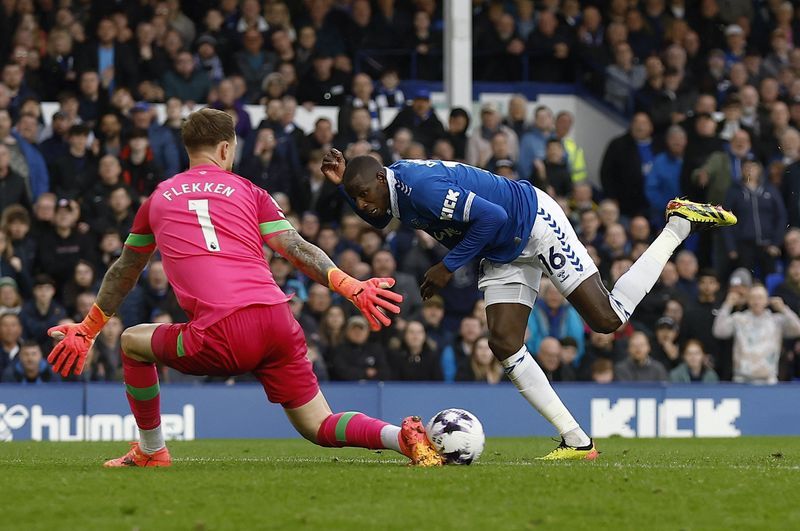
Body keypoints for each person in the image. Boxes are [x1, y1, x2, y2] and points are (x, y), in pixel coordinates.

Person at [45, 109, 443, 468]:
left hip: (221, 331)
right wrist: (350, 285)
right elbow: (296, 248)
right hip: (277, 321)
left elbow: (126, 268)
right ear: (224, 148)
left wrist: (89, 327)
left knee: (132, 341)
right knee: (318, 424)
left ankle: (151, 451)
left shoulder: (158, 198)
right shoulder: (249, 191)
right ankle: (400, 437)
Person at [321, 146, 735, 459]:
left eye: (361, 194)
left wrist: (447, 267)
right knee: (503, 342)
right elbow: (377, 215)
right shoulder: (389, 187)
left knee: (608, 320)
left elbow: (492, 218)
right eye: (353, 197)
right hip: (501, 250)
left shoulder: (423, 189)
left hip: (533, 223)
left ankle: (679, 223)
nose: (360, 204)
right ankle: (577, 441)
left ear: (380, 177)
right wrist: (342, 185)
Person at [712, 286, 800, 384]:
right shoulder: (739, 319)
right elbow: (719, 331)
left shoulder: (776, 321)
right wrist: (727, 305)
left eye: (760, 297)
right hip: (742, 379)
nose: (756, 301)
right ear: (748, 300)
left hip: (768, 380)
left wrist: (784, 309)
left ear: (767, 300)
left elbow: (797, 329)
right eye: (753, 297)